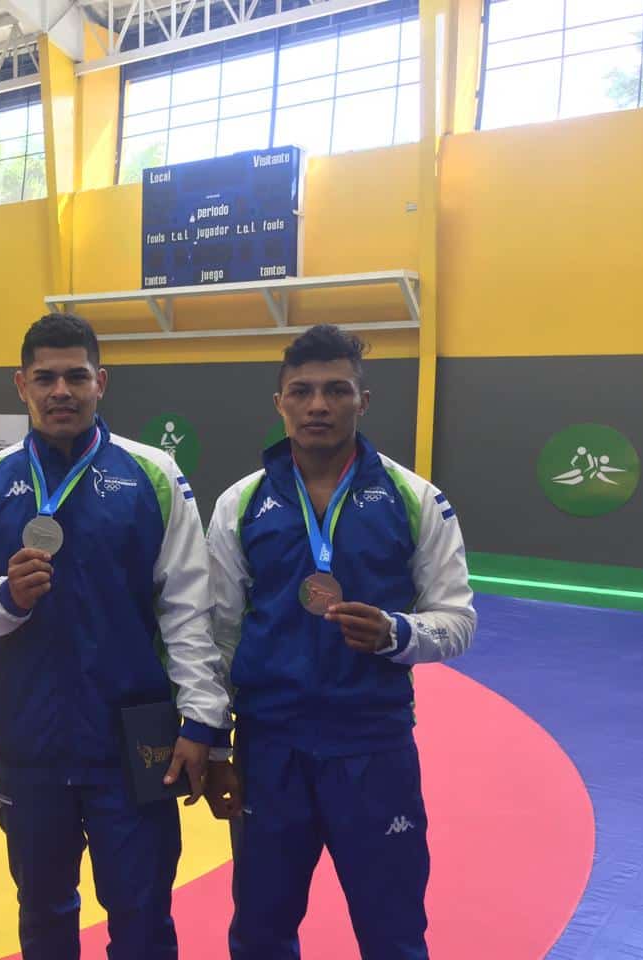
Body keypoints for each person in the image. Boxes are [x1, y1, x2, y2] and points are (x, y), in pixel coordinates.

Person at [0, 313, 229, 960]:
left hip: (138, 738)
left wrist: (204, 721)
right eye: (45, 378)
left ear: (102, 382)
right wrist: (4, 598)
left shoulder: (153, 474)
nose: (61, 390)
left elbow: (188, 606)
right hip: (27, 737)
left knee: (143, 915)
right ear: (21, 385)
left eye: (76, 376)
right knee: (43, 913)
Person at [204, 325, 477, 960]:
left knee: (394, 934)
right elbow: (218, 635)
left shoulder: (415, 499)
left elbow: (458, 620)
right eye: (302, 391)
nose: (318, 405)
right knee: (261, 933)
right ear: (280, 403)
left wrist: (397, 633)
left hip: (373, 746)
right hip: (270, 749)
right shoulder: (239, 504)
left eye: (336, 390)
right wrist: (217, 743)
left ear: (363, 400)